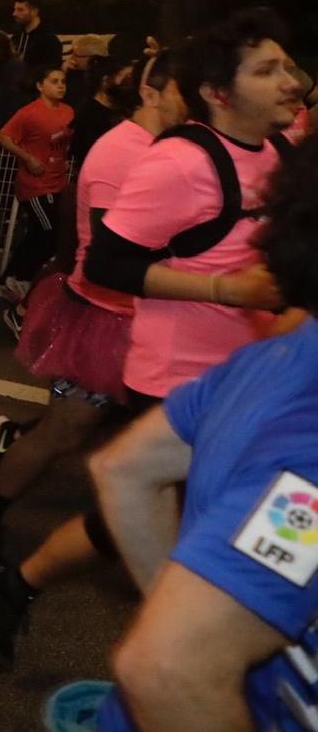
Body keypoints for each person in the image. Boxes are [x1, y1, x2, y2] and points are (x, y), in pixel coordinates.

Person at [0, 9, 300, 668]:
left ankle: (20, 582)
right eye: (268, 69)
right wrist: (222, 291)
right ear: (217, 90)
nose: (293, 79)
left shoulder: (286, 150)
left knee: (146, 512)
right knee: (204, 517)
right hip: (180, 375)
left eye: (290, 64)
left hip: (256, 369)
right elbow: (106, 265)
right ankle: (187, 662)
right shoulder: (176, 163)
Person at [84, 136, 318, 730]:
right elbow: (166, 669)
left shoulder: (269, 357)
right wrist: (192, 643)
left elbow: (125, 470)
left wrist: (191, 612)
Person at [0, 53, 184, 569]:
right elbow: (106, 253)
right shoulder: (123, 152)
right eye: (184, 89)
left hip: (146, 318)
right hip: (107, 319)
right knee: (66, 430)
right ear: (151, 93)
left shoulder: (166, 147)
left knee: (114, 432)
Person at [0, 66, 75, 306]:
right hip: (35, 186)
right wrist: (27, 158)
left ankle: (11, 276)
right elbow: (2, 136)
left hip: (57, 182)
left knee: (42, 233)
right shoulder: (29, 113)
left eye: (63, 81)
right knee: (48, 232)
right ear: (40, 86)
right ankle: (20, 276)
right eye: (54, 81)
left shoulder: (68, 111)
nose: (60, 85)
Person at [10, 0, 63, 80]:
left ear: (34, 12)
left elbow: (50, 70)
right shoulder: (17, 36)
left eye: (20, 10)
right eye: (15, 9)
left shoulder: (49, 40)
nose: (14, 14)